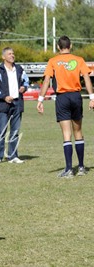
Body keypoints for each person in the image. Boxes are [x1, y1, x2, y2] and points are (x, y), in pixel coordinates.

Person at [37, 35, 94, 178]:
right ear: (71, 45)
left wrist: (40, 99)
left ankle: (69, 169)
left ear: (58, 47)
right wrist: (92, 98)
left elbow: (46, 82)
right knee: (78, 131)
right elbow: (87, 79)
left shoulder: (53, 61)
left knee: (66, 134)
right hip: (76, 96)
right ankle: (81, 168)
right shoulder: (79, 60)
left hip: (62, 98)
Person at [0, 47, 29, 164]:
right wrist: (3, 96)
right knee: (1, 131)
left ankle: (13, 156)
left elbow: (26, 81)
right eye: (9, 54)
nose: (12, 55)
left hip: (17, 103)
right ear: (3, 57)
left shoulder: (19, 69)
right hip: (3, 104)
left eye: (13, 53)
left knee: (15, 132)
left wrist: (24, 87)